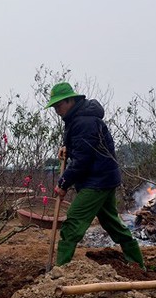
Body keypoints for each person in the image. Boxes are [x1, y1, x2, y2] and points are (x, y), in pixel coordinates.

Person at [46, 82, 145, 269]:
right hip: (105, 178)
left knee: (72, 224)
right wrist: (67, 149)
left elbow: (83, 160)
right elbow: (84, 147)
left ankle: (58, 272)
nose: (57, 110)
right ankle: (137, 264)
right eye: (55, 107)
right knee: (112, 223)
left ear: (71, 101)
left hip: (96, 181)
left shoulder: (83, 122)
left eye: (59, 105)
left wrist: (63, 183)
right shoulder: (80, 118)